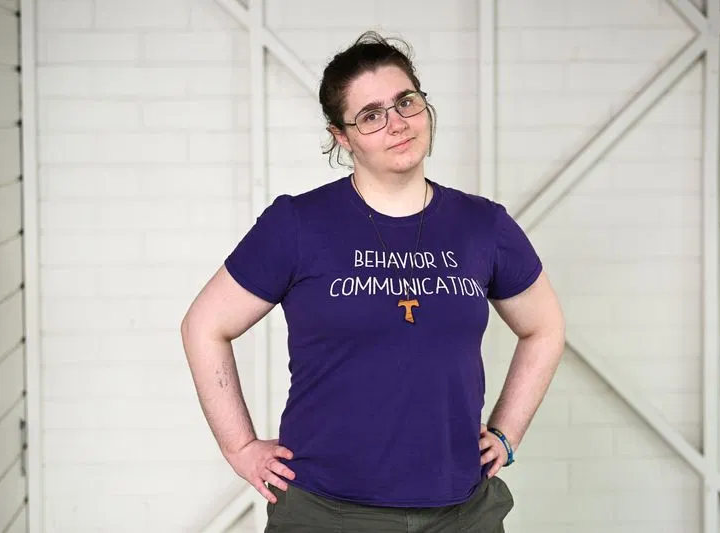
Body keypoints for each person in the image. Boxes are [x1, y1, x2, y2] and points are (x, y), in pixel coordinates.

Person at [181, 31, 565, 533]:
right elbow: (204, 325)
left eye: (406, 102)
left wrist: (507, 430)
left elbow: (545, 328)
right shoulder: (299, 224)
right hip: (326, 511)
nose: (397, 123)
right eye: (370, 114)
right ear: (342, 136)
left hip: (462, 511)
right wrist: (240, 447)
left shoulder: (482, 225)